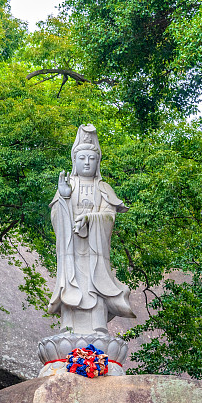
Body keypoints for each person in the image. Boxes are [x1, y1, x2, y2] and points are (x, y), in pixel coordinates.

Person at [49, 124, 136, 335]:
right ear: (74, 161)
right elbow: (56, 220)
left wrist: (91, 218)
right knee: (71, 283)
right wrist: (64, 198)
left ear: (97, 162)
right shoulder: (67, 185)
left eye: (91, 158)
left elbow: (109, 217)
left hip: (94, 253)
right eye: (82, 158)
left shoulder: (104, 188)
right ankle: (67, 326)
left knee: (94, 284)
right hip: (72, 251)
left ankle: (98, 326)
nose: (87, 162)